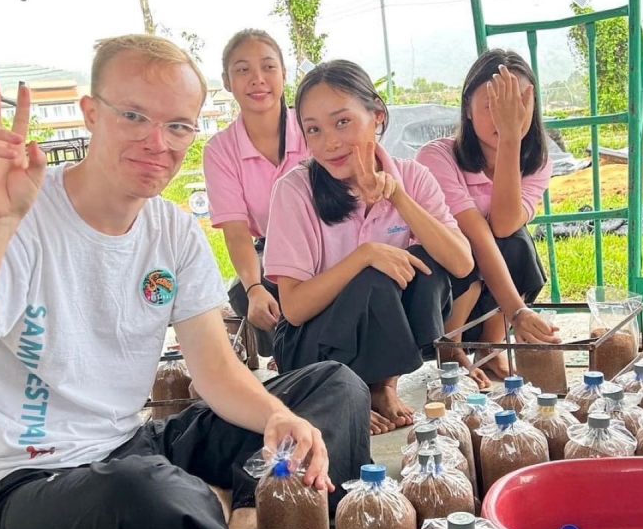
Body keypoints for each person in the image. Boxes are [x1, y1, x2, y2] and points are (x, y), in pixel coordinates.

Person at [0, 35, 370, 529]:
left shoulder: (173, 232)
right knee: (144, 491)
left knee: (333, 386)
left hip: (130, 444)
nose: (158, 142)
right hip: (21, 492)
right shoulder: (10, 213)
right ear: (91, 114)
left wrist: (280, 416)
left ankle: (242, 525)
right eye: (134, 117)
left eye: (178, 125)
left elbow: (216, 372)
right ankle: (218, 521)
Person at [264, 60, 474, 435]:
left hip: (377, 337)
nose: (330, 142)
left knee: (429, 260)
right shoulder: (295, 190)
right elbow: (293, 310)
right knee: (373, 276)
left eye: (342, 122)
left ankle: (382, 386)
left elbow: (460, 264)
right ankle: (345, 392)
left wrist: (399, 197)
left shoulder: (411, 176)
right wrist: (365, 256)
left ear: (377, 115)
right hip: (311, 346)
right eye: (314, 130)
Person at [415, 49, 559, 385]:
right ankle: (450, 345)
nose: (504, 117)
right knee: (470, 245)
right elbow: (477, 234)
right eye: (493, 106)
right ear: (467, 107)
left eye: (516, 107)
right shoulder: (437, 157)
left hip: (490, 294)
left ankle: (490, 347)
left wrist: (511, 140)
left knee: (516, 240)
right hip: (437, 296)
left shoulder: (537, 161)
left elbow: (505, 224)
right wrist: (518, 311)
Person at [203, 29, 307, 361]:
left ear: (284, 74)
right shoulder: (220, 150)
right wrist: (254, 287)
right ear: (227, 81)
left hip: (332, 249)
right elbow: (236, 233)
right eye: (243, 70)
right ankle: (293, 369)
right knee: (246, 296)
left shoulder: (312, 128)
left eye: (268, 67)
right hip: (276, 257)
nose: (257, 79)